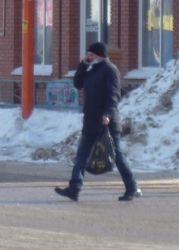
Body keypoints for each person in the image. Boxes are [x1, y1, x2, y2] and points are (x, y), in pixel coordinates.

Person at [55, 41, 141, 202]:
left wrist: (107, 114)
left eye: (91, 54)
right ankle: (74, 188)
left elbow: (114, 95)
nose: (89, 57)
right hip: (91, 120)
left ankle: (132, 187)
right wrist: (83, 65)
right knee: (82, 154)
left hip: (107, 122)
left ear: (100, 55)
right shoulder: (91, 70)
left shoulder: (110, 70)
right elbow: (77, 83)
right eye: (88, 54)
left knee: (117, 156)